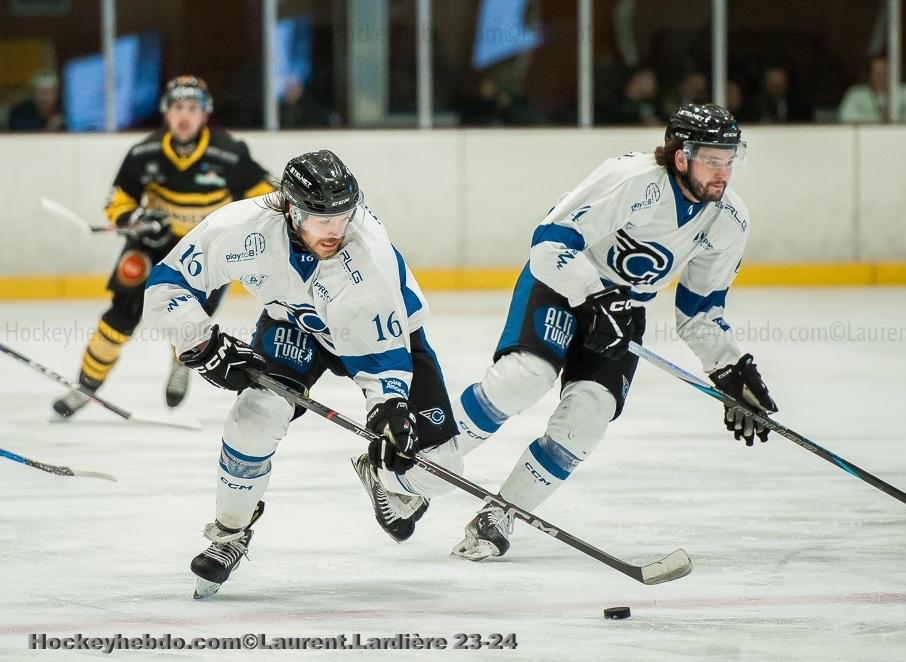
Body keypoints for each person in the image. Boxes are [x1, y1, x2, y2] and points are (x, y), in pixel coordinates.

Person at [448, 103, 779, 560]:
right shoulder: (632, 180)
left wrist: (731, 369)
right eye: (712, 160)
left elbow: (700, 310)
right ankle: (419, 462)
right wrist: (591, 294)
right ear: (681, 157)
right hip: (561, 286)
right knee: (524, 378)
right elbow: (550, 243)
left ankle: (502, 514)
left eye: (730, 160)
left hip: (622, 313)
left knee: (588, 418)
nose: (724, 173)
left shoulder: (728, 220)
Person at [143, 150, 465, 598]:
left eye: (342, 216)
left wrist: (389, 406)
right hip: (295, 326)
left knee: (440, 469)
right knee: (255, 417)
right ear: (292, 210)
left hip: (383, 337)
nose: (335, 230)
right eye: (321, 218)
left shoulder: (368, 256)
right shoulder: (241, 228)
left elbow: (384, 356)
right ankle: (230, 532)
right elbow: (166, 285)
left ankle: (379, 475)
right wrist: (201, 343)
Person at [52, 75, 274, 417]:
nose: (185, 115)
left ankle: (181, 363)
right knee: (119, 317)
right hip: (151, 246)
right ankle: (86, 385)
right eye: (177, 107)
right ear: (166, 112)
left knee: (189, 321)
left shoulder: (231, 154)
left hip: (205, 252)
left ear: (205, 114)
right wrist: (137, 216)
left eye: (193, 108)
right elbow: (118, 201)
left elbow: (266, 198)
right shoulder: (145, 153)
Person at [838, 54, 906, 123]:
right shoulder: (856, 94)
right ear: (870, 76)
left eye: (885, 72)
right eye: (877, 73)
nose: (882, 77)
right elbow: (846, 117)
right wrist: (879, 121)